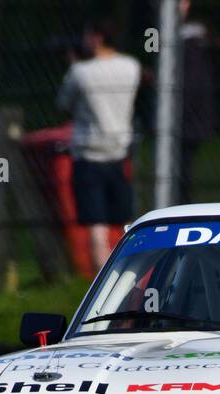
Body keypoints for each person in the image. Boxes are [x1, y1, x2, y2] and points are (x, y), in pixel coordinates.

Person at [57, 19, 140, 274]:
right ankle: (135, 272)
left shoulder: (81, 72)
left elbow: (63, 103)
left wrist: (74, 66)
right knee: (126, 220)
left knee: (96, 223)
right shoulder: (131, 66)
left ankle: (99, 279)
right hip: (119, 152)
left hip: (89, 154)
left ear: (96, 37)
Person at [178, 0, 214, 205]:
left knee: (183, 171)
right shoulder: (188, 41)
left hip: (188, 122)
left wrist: (177, 114)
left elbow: (190, 84)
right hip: (189, 120)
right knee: (181, 171)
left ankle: (181, 208)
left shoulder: (191, 43)